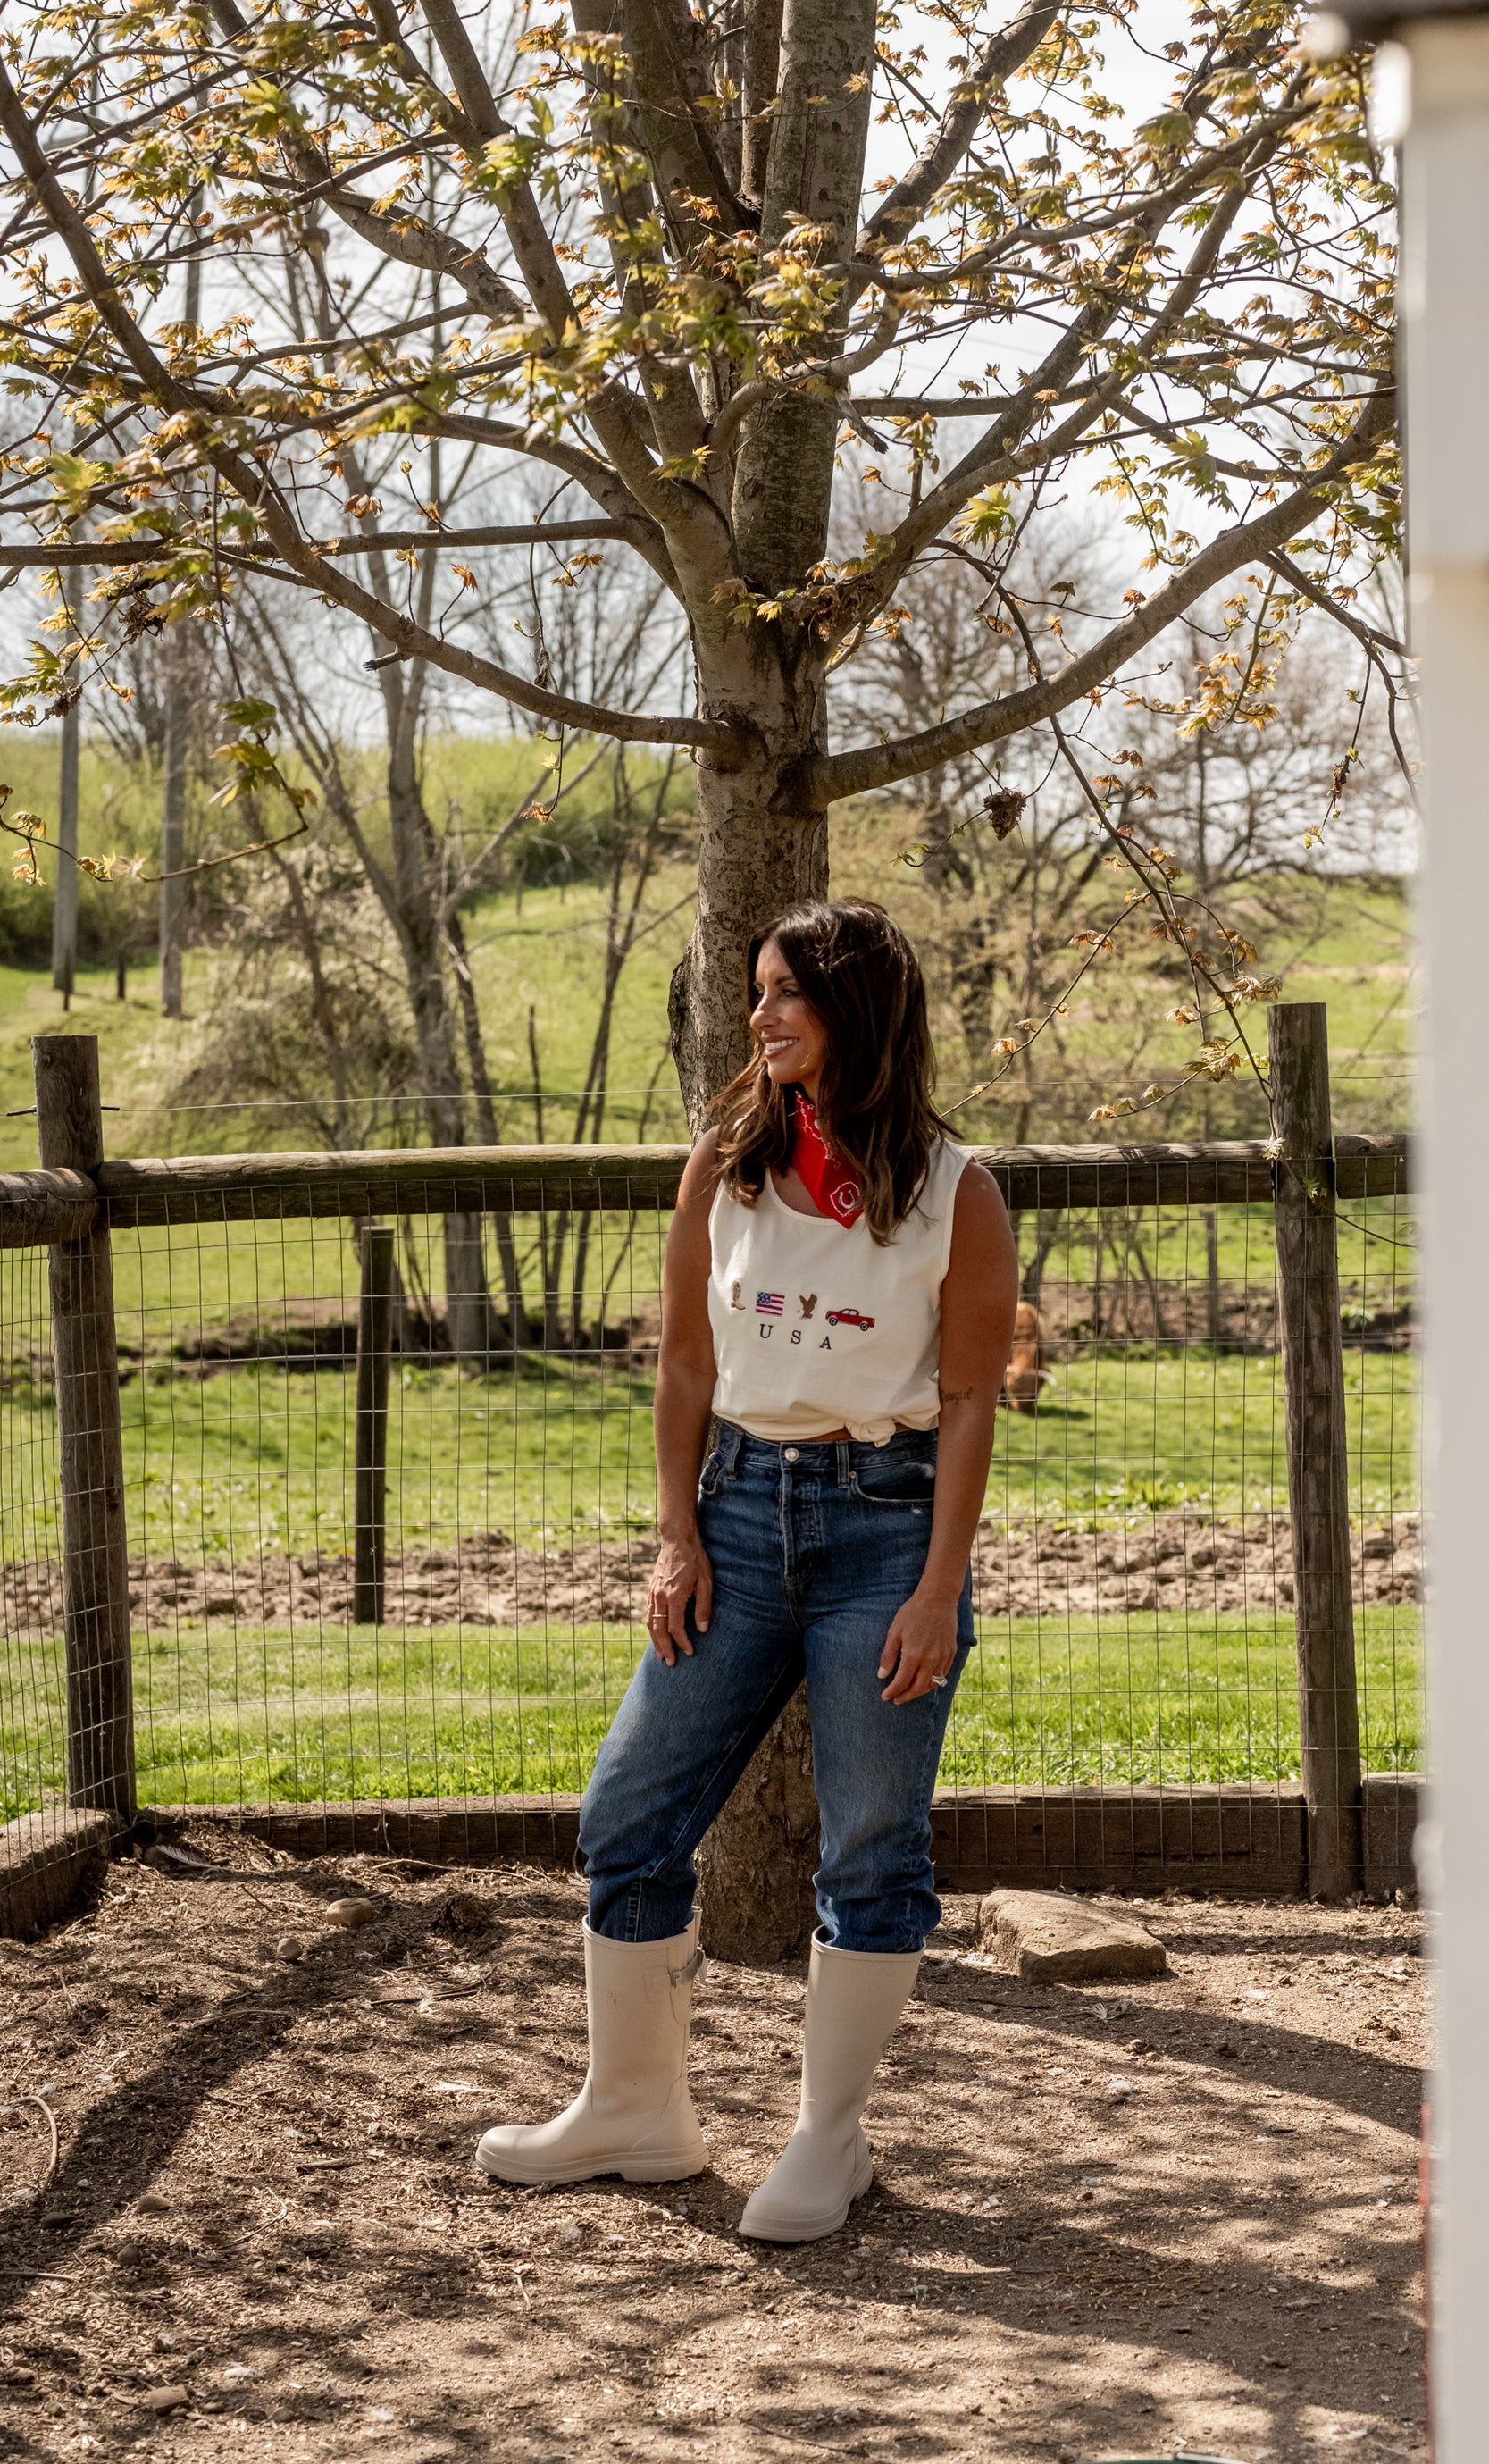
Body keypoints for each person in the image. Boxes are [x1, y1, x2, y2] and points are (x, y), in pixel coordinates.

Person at [476, 898, 1018, 2241]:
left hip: (882, 1528)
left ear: (858, 1011)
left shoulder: (958, 1189)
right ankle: (634, 2113)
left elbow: (965, 1403)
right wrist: (674, 1536)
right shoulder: (723, 1160)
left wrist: (937, 1588)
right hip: (734, 1521)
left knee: (872, 1849)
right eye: (758, 992)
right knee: (627, 1817)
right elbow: (683, 1362)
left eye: (787, 994)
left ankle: (828, 2142)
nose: (761, 1016)